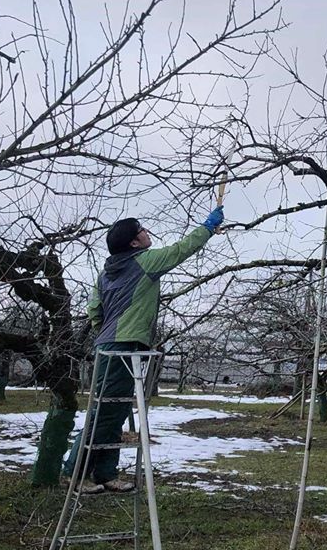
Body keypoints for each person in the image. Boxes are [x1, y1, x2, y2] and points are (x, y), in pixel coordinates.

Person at [71, 207, 225, 493]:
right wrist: (207, 227)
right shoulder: (144, 261)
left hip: (111, 344)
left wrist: (105, 331)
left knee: (115, 411)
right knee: (105, 411)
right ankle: (74, 473)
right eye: (141, 230)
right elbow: (181, 250)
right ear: (133, 243)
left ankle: (105, 474)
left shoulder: (106, 272)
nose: (146, 233)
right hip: (123, 346)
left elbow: (94, 308)